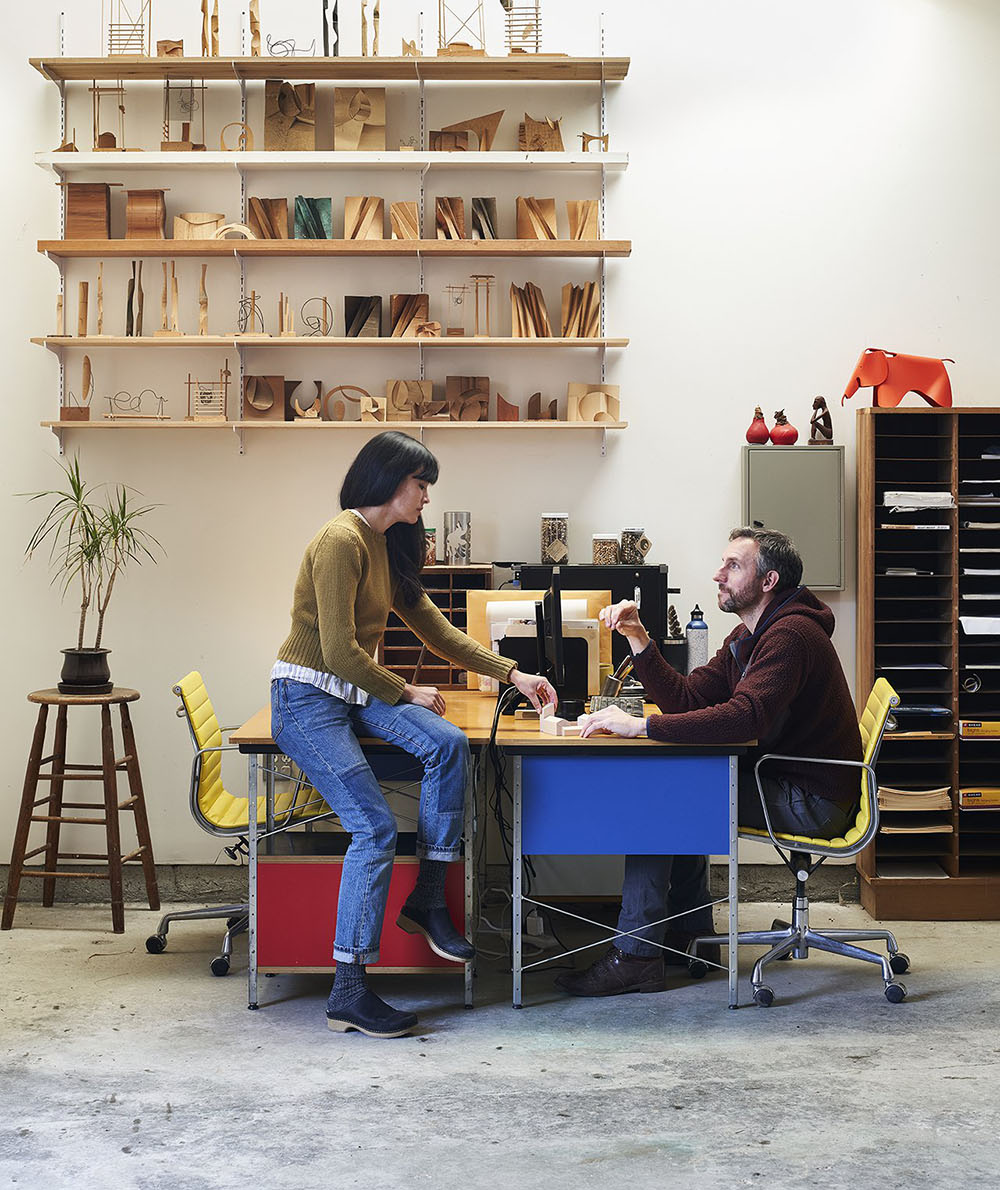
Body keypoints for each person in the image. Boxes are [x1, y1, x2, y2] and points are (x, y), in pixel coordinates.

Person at [271, 431, 556, 1037]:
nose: (427, 496)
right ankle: (348, 990)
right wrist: (403, 690)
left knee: (448, 743)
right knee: (372, 828)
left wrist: (514, 673)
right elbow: (337, 652)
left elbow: (434, 626)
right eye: (420, 484)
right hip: (306, 698)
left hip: (351, 694)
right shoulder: (340, 540)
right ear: (389, 481)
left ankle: (428, 897)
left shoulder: (384, 543)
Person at [556, 527, 861, 998]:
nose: (718, 574)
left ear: (768, 580)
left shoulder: (791, 636)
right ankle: (690, 939)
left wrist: (643, 727)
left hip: (812, 799)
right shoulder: (750, 634)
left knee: (660, 799)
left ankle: (637, 957)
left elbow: (746, 717)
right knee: (682, 783)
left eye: (733, 566)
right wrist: (639, 640)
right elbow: (690, 697)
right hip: (784, 780)